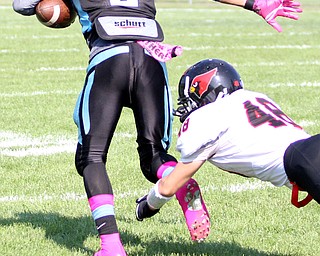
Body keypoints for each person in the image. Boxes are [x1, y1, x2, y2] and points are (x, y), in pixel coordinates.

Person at [12, 0, 302, 255]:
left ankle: (111, 246)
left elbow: (23, 5)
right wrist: (255, 3)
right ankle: (182, 183)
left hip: (108, 57)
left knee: (91, 157)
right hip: (151, 57)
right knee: (154, 155)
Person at [136, 58, 320, 231]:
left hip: (303, 161)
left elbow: (169, 186)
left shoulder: (206, 118)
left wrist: (147, 206)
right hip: (310, 148)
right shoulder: (253, 97)